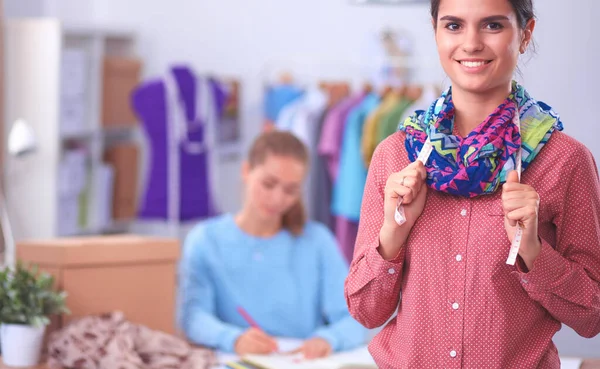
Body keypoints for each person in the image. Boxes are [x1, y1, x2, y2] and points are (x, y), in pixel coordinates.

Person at [344, 0, 600, 368]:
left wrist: (533, 251)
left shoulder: (565, 161)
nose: (471, 43)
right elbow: (364, 311)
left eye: (493, 25)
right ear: (435, 32)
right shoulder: (395, 155)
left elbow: (591, 317)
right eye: (453, 26)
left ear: (525, 34)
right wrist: (393, 232)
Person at [178, 130, 367, 359]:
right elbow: (193, 316)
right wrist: (233, 339)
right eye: (268, 184)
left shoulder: (318, 241)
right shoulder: (205, 240)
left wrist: (328, 339)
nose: (278, 199)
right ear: (246, 171)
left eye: (290, 190)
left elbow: (355, 317)